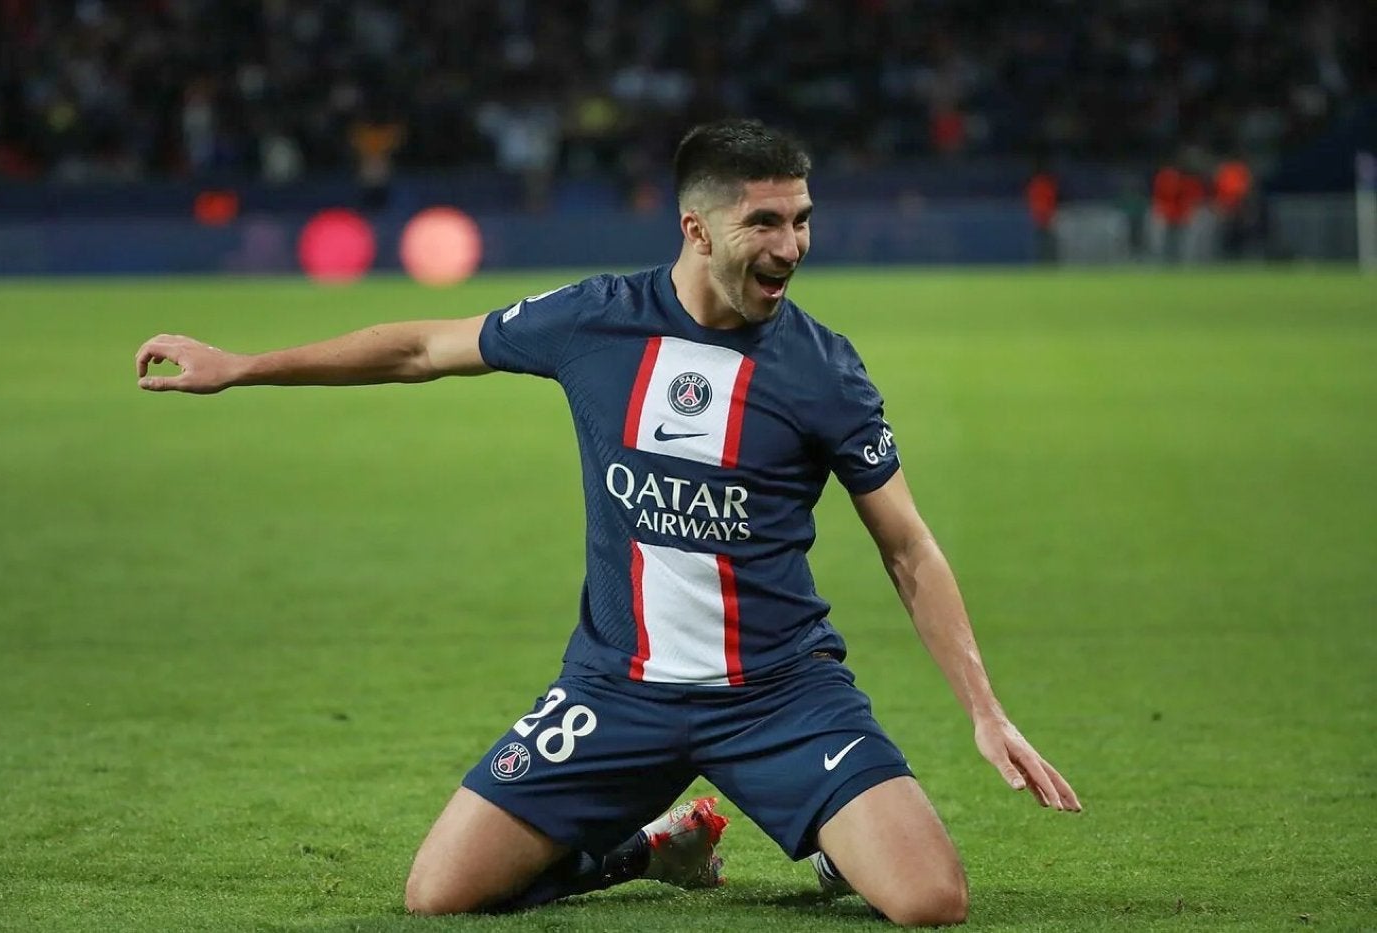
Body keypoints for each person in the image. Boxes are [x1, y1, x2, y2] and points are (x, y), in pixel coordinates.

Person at [135, 118, 1080, 925]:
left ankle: (840, 841)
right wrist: (245, 365)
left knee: (928, 902)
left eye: (801, 221)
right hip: (617, 691)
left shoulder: (824, 370)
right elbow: (423, 346)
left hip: (780, 694)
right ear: (696, 228)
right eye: (765, 222)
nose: (790, 246)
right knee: (438, 894)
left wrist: (984, 710)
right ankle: (649, 850)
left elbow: (907, 546)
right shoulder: (595, 319)